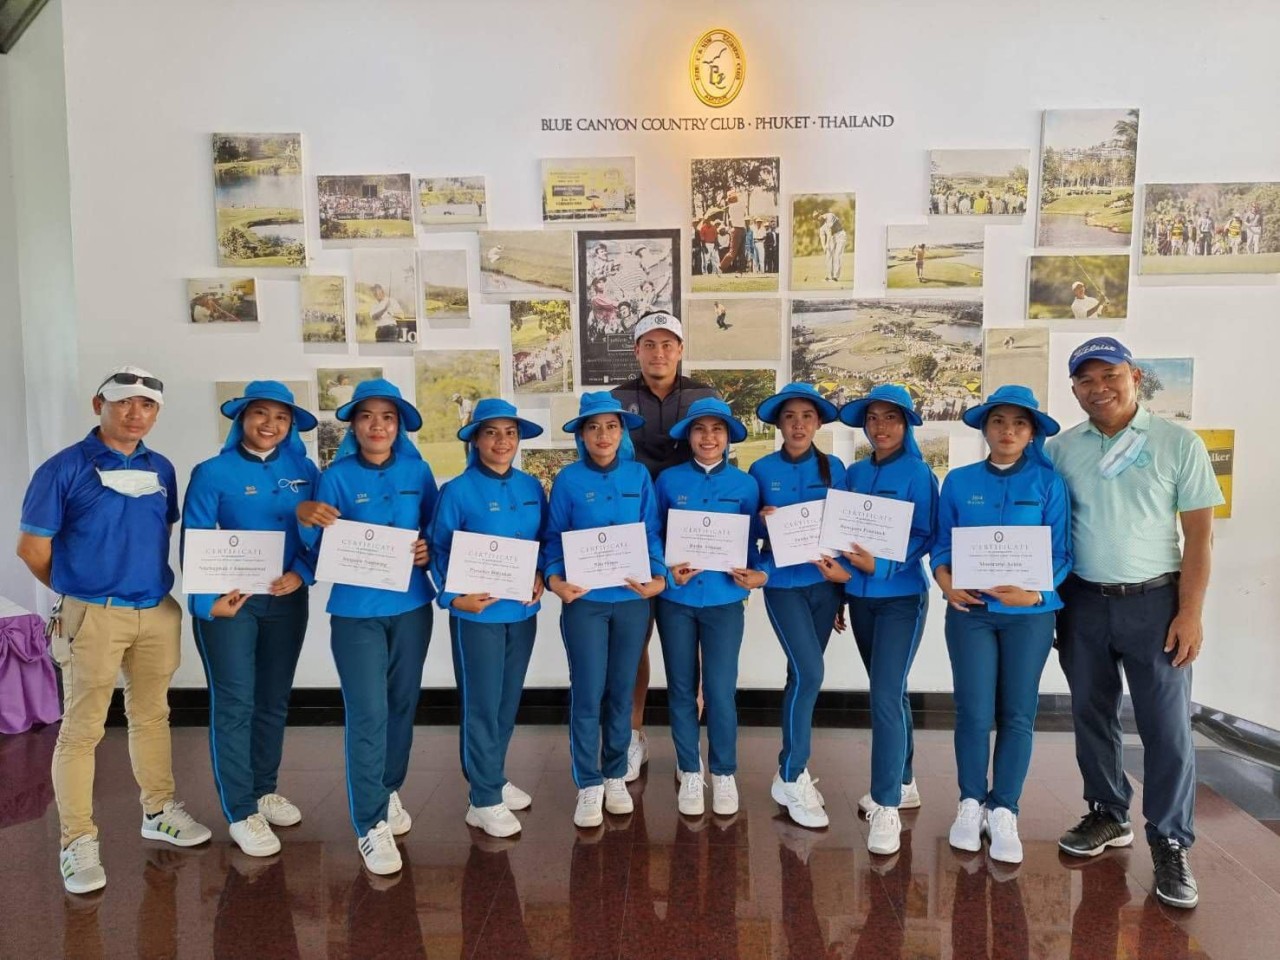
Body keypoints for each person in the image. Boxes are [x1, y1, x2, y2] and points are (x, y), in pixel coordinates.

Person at [17, 365, 212, 895]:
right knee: (83, 729)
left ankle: (159, 810)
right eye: (124, 402)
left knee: (152, 715)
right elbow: (32, 549)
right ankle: (77, 841)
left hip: (156, 610)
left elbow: (155, 532)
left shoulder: (162, 468)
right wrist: (79, 590)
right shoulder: (63, 468)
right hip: (92, 614)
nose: (135, 413)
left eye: (147, 405)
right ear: (98, 404)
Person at [1049, 337, 1223, 909]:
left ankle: (1170, 839)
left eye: (1110, 375)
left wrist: (1190, 612)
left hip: (1156, 604)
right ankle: (1107, 812)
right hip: (1082, 602)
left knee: (1166, 727)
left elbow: (1200, 536)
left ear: (1135, 376)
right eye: (1086, 380)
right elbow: (1044, 529)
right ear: (1074, 389)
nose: (1098, 388)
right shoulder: (1060, 449)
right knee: (1091, 713)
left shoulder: (1178, 443)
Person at [296, 378, 438, 876]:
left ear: (399, 426)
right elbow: (317, 546)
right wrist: (307, 520)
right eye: (367, 416)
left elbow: (434, 530)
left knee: (401, 705)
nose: (378, 425)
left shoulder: (418, 472)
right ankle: (369, 823)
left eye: (387, 417)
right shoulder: (335, 477)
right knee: (368, 712)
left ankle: (387, 787)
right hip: (356, 612)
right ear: (354, 425)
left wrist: (427, 550)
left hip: (412, 606)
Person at [931, 385, 1072, 864]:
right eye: (998, 422)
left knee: (1017, 713)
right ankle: (971, 803)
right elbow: (942, 543)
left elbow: (1062, 554)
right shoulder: (959, 481)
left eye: (1018, 423)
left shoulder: (1049, 484)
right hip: (970, 614)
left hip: (1029, 617)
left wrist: (1035, 594)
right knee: (973, 711)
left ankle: (1005, 808)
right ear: (985, 429)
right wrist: (946, 582)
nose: (1008, 431)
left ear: (1032, 433)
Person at [181, 381, 321, 857]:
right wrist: (207, 603)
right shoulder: (212, 473)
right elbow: (195, 540)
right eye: (260, 413)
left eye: (281, 417)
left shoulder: (305, 471)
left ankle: (263, 789)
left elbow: (320, 537)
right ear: (242, 417)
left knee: (273, 700)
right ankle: (241, 810)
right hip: (231, 605)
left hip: (285, 601)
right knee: (235, 702)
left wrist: (301, 574)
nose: (270, 424)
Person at [542, 392, 667, 827]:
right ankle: (589, 783)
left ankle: (615, 775)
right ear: (581, 434)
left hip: (631, 600)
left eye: (611, 426)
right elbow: (554, 538)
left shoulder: (638, 475)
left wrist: (659, 575)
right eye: (593, 427)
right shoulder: (568, 480)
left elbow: (650, 531)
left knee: (621, 689)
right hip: (585, 602)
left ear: (622, 432)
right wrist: (555, 580)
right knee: (587, 690)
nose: (603, 434)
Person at [429, 398, 546, 839]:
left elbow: (544, 541)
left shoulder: (532, 487)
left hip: (522, 611)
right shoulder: (457, 491)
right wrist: (453, 598)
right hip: (476, 616)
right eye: (492, 433)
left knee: (507, 700)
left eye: (510, 433)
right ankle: (482, 800)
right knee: (481, 704)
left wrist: (540, 572)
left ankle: (492, 776)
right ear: (475, 439)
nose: (502, 441)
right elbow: (438, 550)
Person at [833, 385, 939, 855]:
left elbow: (926, 535)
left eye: (891, 418)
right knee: (891, 692)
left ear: (906, 424)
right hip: (861, 600)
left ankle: (886, 804)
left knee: (883, 695)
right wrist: (841, 593)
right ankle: (905, 780)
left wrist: (884, 566)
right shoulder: (854, 473)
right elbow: (841, 534)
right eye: (873, 418)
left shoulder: (918, 473)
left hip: (901, 599)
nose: (881, 427)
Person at [611, 311, 717, 778]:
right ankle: (633, 736)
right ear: (637, 350)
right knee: (635, 642)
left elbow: (717, 466)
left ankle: (689, 750)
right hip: (634, 537)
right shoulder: (617, 400)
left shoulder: (704, 396)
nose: (659, 353)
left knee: (689, 647)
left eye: (668, 344)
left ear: (680, 349)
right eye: (650, 344)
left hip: (689, 537)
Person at [655, 398, 767, 817]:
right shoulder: (667, 481)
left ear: (728, 437)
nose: (708, 437)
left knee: (720, 690)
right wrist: (667, 573)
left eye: (716, 429)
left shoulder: (745, 485)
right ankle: (689, 769)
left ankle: (723, 772)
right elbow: (654, 535)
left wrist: (756, 572)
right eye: (699, 429)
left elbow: (753, 542)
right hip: (677, 600)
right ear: (688, 435)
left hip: (724, 600)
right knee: (681, 687)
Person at [750, 383, 847, 829]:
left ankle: (790, 771)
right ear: (778, 423)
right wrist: (762, 523)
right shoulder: (761, 469)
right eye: (789, 417)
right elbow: (747, 534)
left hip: (823, 587)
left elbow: (845, 532)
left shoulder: (835, 469)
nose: (798, 424)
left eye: (807, 416)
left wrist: (842, 595)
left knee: (799, 675)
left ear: (818, 422)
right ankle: (792, 773)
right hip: (782, 585)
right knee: (810, 673)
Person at [816, 210, 848, 282]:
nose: (817, 219)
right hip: (833, 237)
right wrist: (824, 247)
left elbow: (829, 232)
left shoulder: (830, 216)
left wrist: (827, 244)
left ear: (820, 214)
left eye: (818, 216)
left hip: (840, 235)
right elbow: (822, 236)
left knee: (837, 255)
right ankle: (829, 276)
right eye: (815, 218)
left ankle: (835, 277)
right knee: (828, 255)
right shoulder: (821, 224)